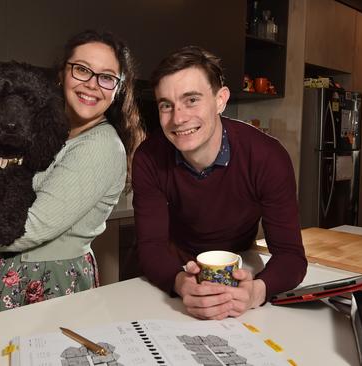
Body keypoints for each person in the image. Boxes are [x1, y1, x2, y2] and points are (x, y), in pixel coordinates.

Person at [0, 30, 143, 310]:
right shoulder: (51, 133)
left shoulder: (100, 146)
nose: (92, 84)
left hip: (44, 284)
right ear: (62, 73)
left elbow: (32, 227)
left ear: (118, 89)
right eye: (82, 70)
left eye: (106, 77)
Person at [132, 46, 307, 320]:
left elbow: (291, 255)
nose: (178, 118)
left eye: (191, 100)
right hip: (175, 270)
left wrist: (256, 292)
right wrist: (180, 283)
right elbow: (151, 246)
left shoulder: (267, 157)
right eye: (166, 104)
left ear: (220, 100)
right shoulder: (148, 157)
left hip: (241, 266)